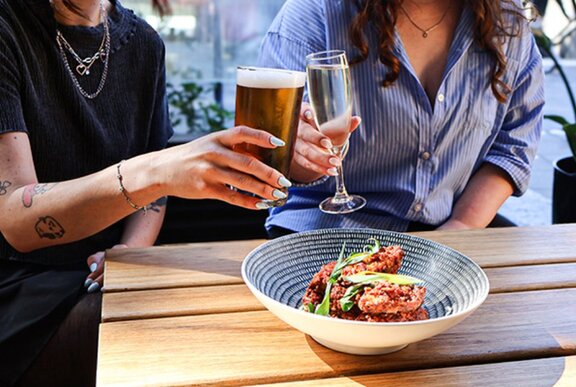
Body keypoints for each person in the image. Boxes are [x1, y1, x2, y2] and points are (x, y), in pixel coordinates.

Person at [0, 0, 291, 385]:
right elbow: (15, 220)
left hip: (109, 272)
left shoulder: (145, 44)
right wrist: (154, 170)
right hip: (21, 283)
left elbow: (153, 195)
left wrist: (130, 250)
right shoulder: (9, 28)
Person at [258, 0, 544, 236]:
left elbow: (513, 145)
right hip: (323, 234)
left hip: (449, 237)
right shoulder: (316, 12)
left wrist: (462, 226)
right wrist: (303, 155)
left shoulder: (509, 24)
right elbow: (278, 152)